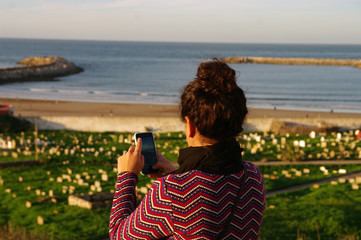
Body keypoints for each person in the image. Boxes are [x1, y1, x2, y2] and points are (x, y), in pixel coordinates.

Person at [109, 59, 266, 239]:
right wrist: (178, 173)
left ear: (190, 125)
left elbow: (118, 234)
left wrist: (127, 177)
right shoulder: (253, 177)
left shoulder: (172, 191)